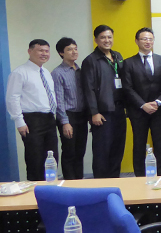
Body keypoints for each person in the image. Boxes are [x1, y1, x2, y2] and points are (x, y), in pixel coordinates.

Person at [6, 39, 59, 181]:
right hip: (31, 120)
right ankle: (35, 191)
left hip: (49, 118)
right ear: (30, 51)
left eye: (47, 51)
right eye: (40, 50)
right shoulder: (20, 72)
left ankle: (51, 189)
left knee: (52, 157)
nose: (44, 54)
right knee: (35, 158)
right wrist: (19, 121)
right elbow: (12, 98)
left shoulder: (46, 72)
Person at [123, 27, 161, 177]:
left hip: (159, 110)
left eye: (150, 39)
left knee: (160, 145)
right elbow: (127, 88)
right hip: (138, 111)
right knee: (139, 145)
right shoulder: (128, 63)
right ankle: (140, 177)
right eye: (144, 39)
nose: (148, 42)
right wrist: (143, 105)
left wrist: (158, 102)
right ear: (137, 41)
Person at [82, 25, 126, 178]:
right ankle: (101, 184)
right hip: (102, 113)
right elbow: (88, 89)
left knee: (117, 149)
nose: (107, 40)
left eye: (109, 37)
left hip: (119, 111)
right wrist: (94, 112)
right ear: (96, 40)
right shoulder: (90, 60)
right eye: (103, 37)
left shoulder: (117, 56)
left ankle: (115, 182)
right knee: (102, 152)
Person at [51, 37, 88, 180]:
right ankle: (70, 185)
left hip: (81, 116)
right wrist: (65, 122)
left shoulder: (80, 70)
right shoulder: (58, 73)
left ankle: (79, 183)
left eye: (75, 48)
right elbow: (59, 101)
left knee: (80, 152)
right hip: (68, 116)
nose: (74, 52)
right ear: (61, 53)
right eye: (69, 49)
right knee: (69, 153)